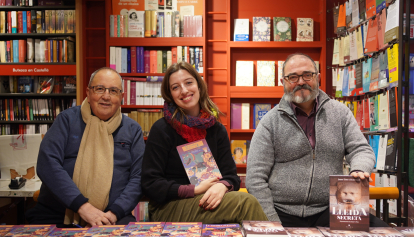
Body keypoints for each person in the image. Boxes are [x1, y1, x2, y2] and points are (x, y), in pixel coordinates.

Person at [246, 53, 388, 228]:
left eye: (307, 75)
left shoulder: (340, 113)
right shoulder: (270, 122)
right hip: (281, 212)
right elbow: (255, 178)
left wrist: (359, 168)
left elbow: (361, 149)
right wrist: (272, 222)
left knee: (385, 235)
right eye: (293, 77)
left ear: (318, 77)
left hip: (332, 207)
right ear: (283, 82)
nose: (300, 82)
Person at [141, 61, 267, 224]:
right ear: (170, 95)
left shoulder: (216, 129)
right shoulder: (162, 129)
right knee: (245, 203)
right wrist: (193, 190)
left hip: (207, 199)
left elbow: (232, 177)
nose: (184, 90)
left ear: (199, 86)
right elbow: (150, 183)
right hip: (168, 206)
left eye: (188, 83)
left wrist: (222, 186)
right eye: (175, 87)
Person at [26, 67, 145, 227]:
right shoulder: (66, 121)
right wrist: (83, 207)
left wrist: (114, 213)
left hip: (113, 217)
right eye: (100, 89)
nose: (106, 96)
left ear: (121, 97)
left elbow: (138, 177)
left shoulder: (132, 129)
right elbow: (48, 164)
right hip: (57, 214)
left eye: (113, 91)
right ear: (88, 93)